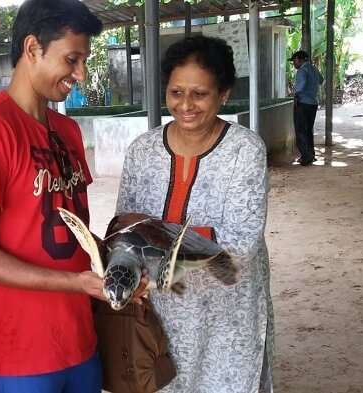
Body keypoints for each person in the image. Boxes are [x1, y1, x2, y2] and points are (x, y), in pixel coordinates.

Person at [0, 1, 109, 392]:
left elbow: (74, 232)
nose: (81, 74)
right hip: (18, 351)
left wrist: (120, 265)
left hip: (78, 339)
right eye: (72, 59)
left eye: (83, 60)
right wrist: (76, 284)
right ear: (33, 48)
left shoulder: (67, 131)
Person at [115, 36, 274, 393]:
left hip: (227, 314)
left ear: (224, 94)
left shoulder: (245, 150)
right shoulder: (142, 152)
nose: (185, 105)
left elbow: (241, 241)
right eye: (175, 92)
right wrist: (125, 265)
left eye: (199, 94)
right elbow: (124, 228)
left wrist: (154, 237)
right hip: (159, 315)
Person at [290, 50, 323, 166]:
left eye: (294, 61)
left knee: (300, 130)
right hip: (313, 103)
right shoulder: (314, 69)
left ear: (300, 59)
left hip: (303, 103)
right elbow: (321, 80)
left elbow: (301, 85)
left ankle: (306, 156)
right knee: (308, 130)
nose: (294, 64)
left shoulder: (302, 70)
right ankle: (311, 154)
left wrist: (295, 94)